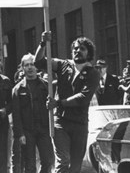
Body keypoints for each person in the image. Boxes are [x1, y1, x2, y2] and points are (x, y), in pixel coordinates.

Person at [36, 32, 100, 173]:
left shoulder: (93, 73)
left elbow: (83, 97)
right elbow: (39, 62)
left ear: (89, 53)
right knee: (63, 161)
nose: (77, 51)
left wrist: (58, 103)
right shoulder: (63, 65)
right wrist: (42, 44)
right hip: (61, 122)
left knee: (75, 166)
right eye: (75, 48)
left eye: (82, 49)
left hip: (79, 124)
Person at [12, 54, 54, 173]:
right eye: (26, 65)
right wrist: (20, 134)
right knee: (29, 165)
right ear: (23, 68)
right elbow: (16, 114)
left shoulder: (46, 86)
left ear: (37, 67)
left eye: (32, 64)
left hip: (44, 129)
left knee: (47, 161)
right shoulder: (18, 89)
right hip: (27, 131)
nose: (30, 67)